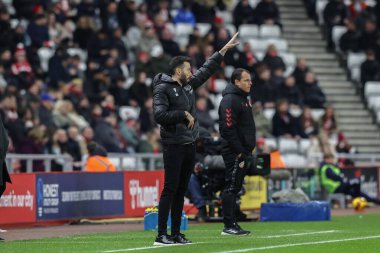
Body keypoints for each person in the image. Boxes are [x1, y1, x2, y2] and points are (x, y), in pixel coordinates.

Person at [152, 32, 239, 245]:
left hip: (189, 144)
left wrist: (222, 51)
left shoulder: (188, 85)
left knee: (181, 190)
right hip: (173, 145)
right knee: (170, 189)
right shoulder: (162, 88)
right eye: (187, 69)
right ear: (177, 71)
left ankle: (175, 234)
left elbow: (206, 70)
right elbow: (159, 116)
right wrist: (183, 114)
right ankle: (161, 234)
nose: (191, 72)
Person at [218, 68, 254, 236]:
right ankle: (228, 225)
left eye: (250, 80)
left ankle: (233, 222)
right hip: (235, 152)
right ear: (236, 82)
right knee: (231, 186)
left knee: (235, 186)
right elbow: (227, 129)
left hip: (242, 151)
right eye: (246, 80)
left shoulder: (243, 99)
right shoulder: (230, 100)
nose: (250, 83)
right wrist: (240, 151)